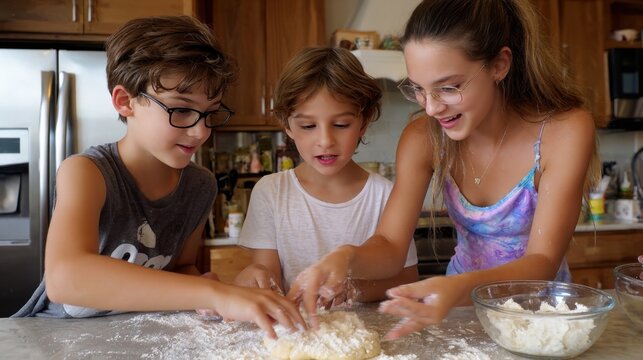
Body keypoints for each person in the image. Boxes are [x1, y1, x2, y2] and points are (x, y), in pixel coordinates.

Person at [287, 0, 600, 337]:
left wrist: (459, 290)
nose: (432, 107)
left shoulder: (564, 131)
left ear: (499, 64)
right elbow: (391, 246)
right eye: (418, 89)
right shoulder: (423, 138)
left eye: (448, 87)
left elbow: (542, 263)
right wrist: (346, 258)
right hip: (455, 314)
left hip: (541, 319)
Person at [12, 16, 304, 339]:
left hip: (139, 340)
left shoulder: (199, 186)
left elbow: (180, 268)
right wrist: (213, 295)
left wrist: (209, 286)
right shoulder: (88, 172)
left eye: (210, 113)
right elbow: (65, 278)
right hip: (59, 340)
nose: (200, 131)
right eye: (181, 110)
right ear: (126, 102)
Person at [233, 47, 419, 310]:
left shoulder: (385, 196)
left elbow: (407, 278)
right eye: (308, 126)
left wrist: (352, 288)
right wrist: (254, 279)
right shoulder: (271, 192)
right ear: (287, 125)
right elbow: (268, 276)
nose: (325, 141)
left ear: (363, 122)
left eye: (341, 125)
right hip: (298, 334)